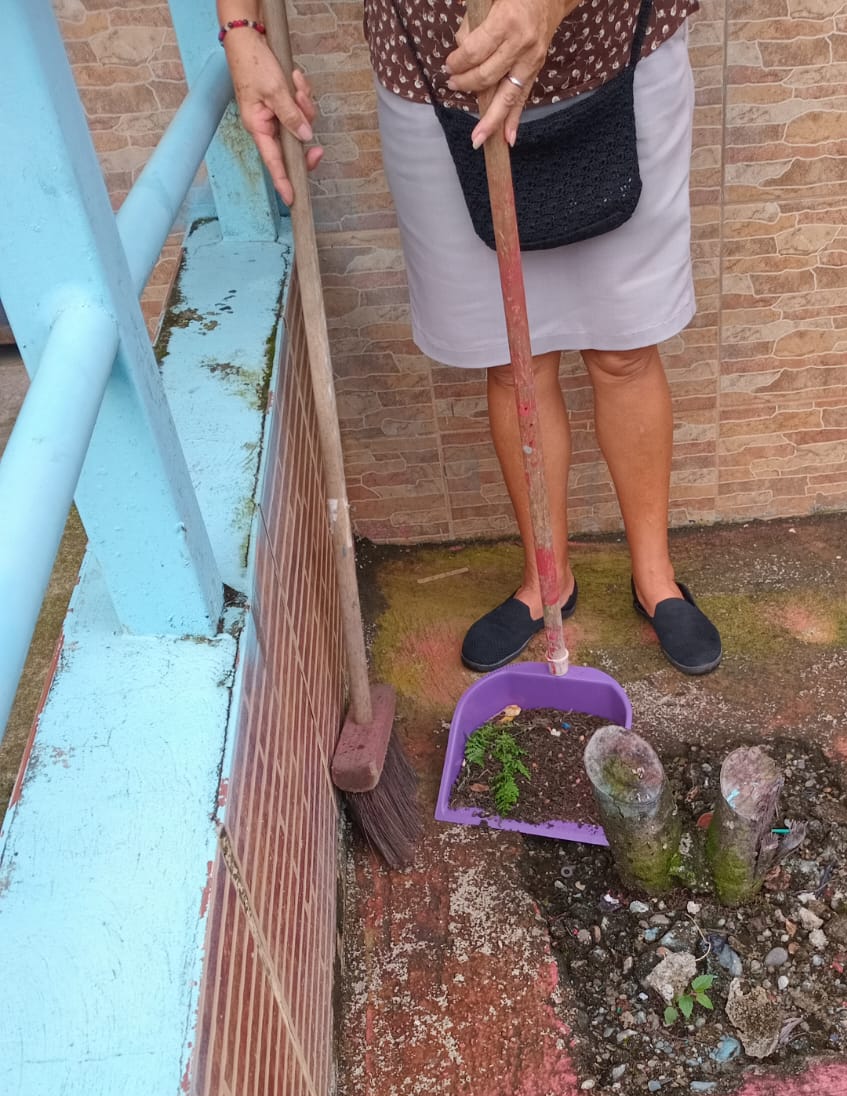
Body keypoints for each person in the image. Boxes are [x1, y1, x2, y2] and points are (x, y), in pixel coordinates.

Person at [218, 0, 722, 675]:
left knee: (624, 349)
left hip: (610, 46)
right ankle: (547, 579)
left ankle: (656, 579)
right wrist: (241, 30)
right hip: (433, 70)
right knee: (515, 359)